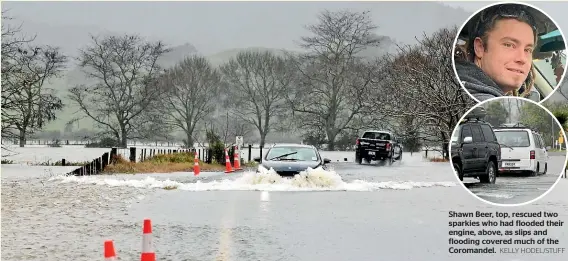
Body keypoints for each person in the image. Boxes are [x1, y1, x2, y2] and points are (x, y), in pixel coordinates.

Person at [454, 3, 540, 101]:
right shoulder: (480, 100)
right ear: (480, 48)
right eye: (509, 45)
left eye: (528, 50)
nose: (522, 59)